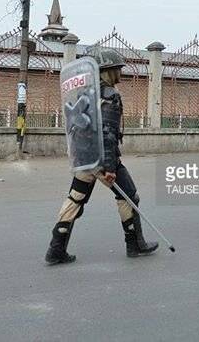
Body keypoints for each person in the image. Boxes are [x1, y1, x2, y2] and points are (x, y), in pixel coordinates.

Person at [46, 49, 159, 264]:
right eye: (117, 69)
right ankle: (135, 243)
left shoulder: (85, 95)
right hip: (102, 158)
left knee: (75, 199)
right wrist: (109, 168)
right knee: (129, 196)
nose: (120, 73)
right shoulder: (110, 96)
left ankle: (56, 248)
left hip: (84, 158)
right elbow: (107, 134)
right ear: (107, 71)